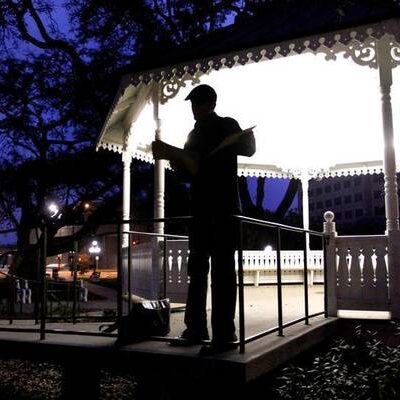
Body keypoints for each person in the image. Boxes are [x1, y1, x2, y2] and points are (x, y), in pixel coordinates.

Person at [152, 84, 256, 355]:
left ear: (210, 103)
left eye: (197, 103)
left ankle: (224, 332)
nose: (193, 108)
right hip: (200, 211)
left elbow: (249, 147)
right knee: (196, 273)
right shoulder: (193, 134)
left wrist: (230, 144)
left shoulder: (226, 124)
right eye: (192, 104)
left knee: (222, 273)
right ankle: (195, 328)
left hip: (223, 210)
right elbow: (190, 173)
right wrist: (180, 165)